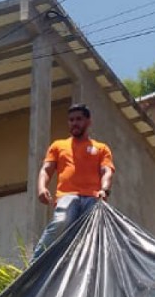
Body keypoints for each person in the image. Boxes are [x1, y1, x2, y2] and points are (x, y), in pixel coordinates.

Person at [33, 103, 115, 256]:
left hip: (93, 197)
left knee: (94, 230)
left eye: (79, 119)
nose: (74, 123)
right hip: (67, 195)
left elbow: (107, 171)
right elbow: (46, 169)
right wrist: (42, 188)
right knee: (62, 221)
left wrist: (104, 190)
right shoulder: (58, 145)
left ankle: (91, 266)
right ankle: (36, 262)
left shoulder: (101, 148)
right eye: (71, 120)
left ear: (88, 121)